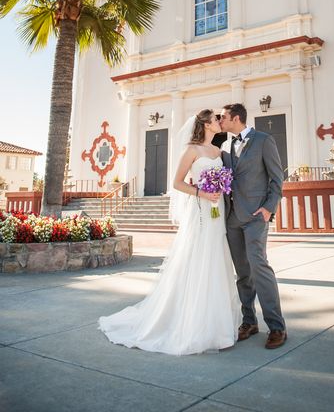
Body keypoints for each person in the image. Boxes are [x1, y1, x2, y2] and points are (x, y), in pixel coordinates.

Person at [98, 109, 240, 355]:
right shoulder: (192, 150)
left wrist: (220, 190)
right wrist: (203, 193)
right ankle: (192, 323)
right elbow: (176, 183)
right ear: (206, 124)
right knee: (198, 257)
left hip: (217, 211)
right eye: (216, 119)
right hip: (201, 211)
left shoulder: (219, 152)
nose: (220, 121)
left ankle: (219, 326)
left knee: (217, 257)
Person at [220, 103, 287, 349]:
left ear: (236, 118)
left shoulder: (263, 140)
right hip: (232, 219)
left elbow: (277, 178)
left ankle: (277, 326)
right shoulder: (225, 146)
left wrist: (269, 208)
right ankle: (249, 321)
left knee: (259, 267)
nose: (220, 120)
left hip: (256, 216)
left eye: (224, 117)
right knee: (243, 273)